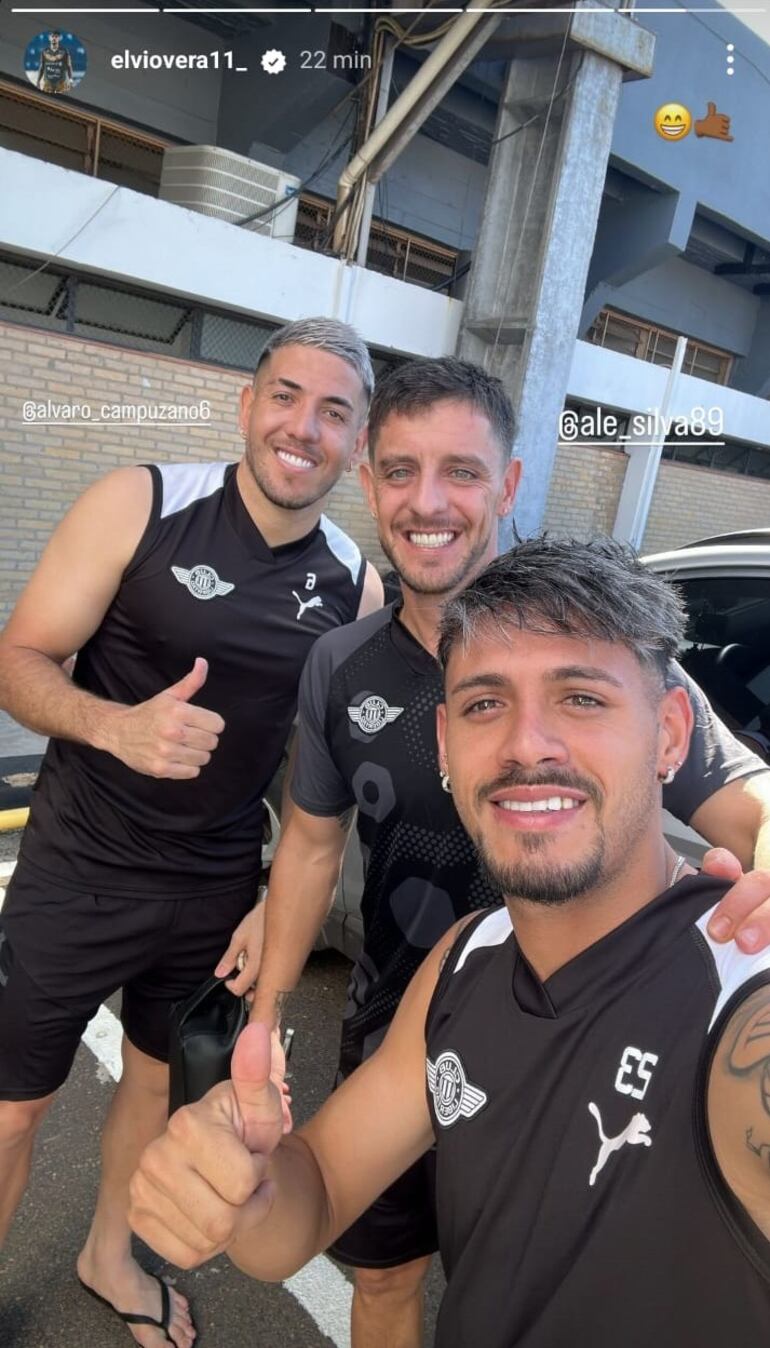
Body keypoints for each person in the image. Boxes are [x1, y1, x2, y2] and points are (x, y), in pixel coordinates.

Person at [129, 536, 770, 1348]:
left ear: (672, 735)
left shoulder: (741, 991)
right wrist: (246, 1189)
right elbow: (316, 1195)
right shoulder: (468, 958)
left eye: (581, 698)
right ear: (443, 745)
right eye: (484, 704)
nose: (526, 745)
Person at [246, 356, 770, 1348]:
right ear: (367, 482)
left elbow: (746, 798)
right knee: (398, 1277)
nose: (427, 501)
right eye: (399, 471)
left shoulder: (604, 633)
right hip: (417, 1029)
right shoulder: (339, 664)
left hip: (620, 1033)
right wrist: (266, 1015)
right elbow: (310, 851)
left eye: (460, 471)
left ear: (509, 484)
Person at [0, 317, 381, 1348]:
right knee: (12, 1110)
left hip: (213, 885)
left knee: (158, 1086)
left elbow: (322, 779)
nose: (304, 426)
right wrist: (111, 723)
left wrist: (272, 898)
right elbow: (22, 657)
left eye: (334, 412)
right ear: (248, 405)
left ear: (355, 442)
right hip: (79, 866)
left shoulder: (355, 585)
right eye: (287, 396)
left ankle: (106, 1254)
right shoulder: (143, 502)